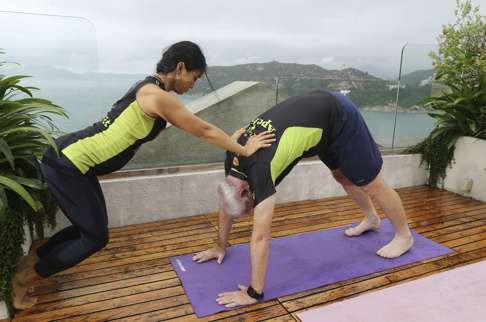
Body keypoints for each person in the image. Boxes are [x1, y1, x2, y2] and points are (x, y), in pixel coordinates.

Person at [11, 41, 275, 310]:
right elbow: (203, 130)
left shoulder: (150, 88)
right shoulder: (156, 96)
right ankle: (24, 279)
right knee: (94, 237)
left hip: (78, 164)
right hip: (67, 163)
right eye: (193, 77)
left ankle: (34, 258)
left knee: (91, 230)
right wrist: (243, 148)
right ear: (180, 67)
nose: (193, 85)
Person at [193, 90, 414, 308]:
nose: (253, 206)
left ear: (244, 192)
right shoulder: (233, 161)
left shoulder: (259, 170)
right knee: (341, 175)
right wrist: (220, 246)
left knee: (372, 183)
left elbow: (261, 237)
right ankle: (371, 218)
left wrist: (254, 293)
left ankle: (404, 236)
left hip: (339, 116)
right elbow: (226, 204)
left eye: (250, 205)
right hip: (318, 121)